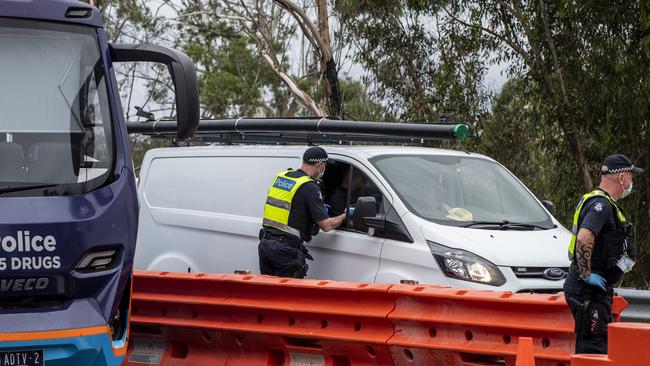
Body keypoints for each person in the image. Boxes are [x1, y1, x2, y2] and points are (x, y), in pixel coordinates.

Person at [563, 154, 643, 354]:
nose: (631, 182)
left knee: (596, 344)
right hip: (588, 292)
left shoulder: (603, 203)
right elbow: (583, 237)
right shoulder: (602, 206)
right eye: (631, 177)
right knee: (593, 349)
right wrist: (586, 274)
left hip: (596, 290)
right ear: (622, 178)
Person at [258, 146, 347, 278]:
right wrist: (346, 215)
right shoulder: (310, 187)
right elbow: (326, 225)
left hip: (265, 245)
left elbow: (291, 207)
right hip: (285, 251)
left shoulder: (281, 178)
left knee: (268, 295)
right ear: (318, 165)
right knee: (288, 296)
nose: (324, 169)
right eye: (324, 166)